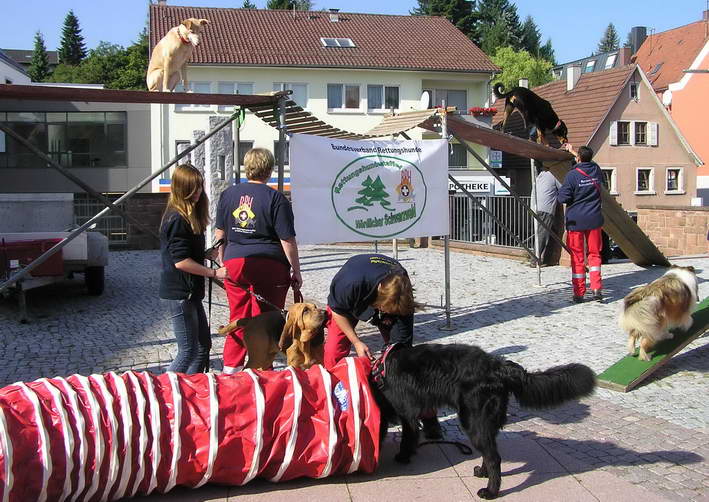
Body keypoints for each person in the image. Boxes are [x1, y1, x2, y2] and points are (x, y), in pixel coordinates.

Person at [324, 253, 441, 438]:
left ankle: (428, 417)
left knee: (402, 362)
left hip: (392, 300)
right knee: (332, 352)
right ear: (379, 292)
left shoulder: (401, 288)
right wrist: (356, 341)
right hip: (348, 303)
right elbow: (338, 312)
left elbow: (397, 320)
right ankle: (336, 404)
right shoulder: (349, 283)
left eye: (387, 312)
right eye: (384, 310)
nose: (383, 316)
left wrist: (391, 347)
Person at [214, 148, 302, 374]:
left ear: (246, 167)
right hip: (270, 265)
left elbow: (219, 235)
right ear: (270, 169)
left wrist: (224, 263)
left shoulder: (228, 195)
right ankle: (264, 372)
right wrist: (296, 271)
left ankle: (230, 371)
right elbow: (287, 240)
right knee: (268, 320)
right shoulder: (276, 198)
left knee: (238, 317)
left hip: (235, 263)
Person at [160, 164, 228, 374]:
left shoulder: (187, 216)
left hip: (189, 293)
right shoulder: (178, 219)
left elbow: (185, 254)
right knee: (188, 351)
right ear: (182, 189)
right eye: (193, 187)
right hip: (180, 294)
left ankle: (191, 393)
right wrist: (214, 273)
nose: (198, 192)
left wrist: (204, 255)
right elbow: (180, 262)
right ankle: (163, 392)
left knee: (202, 348)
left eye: (199, 186)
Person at [558, 144, 604, 303]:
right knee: (595, 254)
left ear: (578, 159)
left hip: (576, 221)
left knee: (577, 257)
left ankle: (579, 293)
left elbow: (562, 198)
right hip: (594, 220)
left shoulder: (572, 175)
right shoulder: (597, 170)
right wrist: (573, 151)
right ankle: (597, 289)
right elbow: (589, 161)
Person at [530, 161, 561, 267]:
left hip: (535, 207)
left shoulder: (540, 175)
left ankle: (549, 258)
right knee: (542, 235)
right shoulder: (554, 175)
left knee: (546, 233)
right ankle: (535, 261)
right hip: (546, 209)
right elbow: (563, 188)